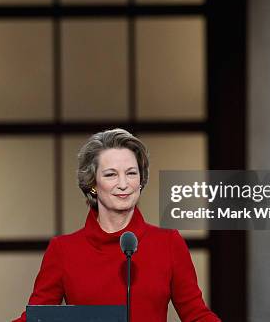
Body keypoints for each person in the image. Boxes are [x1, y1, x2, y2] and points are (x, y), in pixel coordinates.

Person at [13, 128, 221, 322]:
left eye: (131, 173)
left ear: (141, 180)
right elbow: (35, 319)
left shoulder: (168, 243)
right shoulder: (63, 250)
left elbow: (196, 315)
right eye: (111, 174)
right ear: (93, 184)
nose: (123, 184)